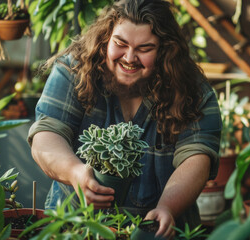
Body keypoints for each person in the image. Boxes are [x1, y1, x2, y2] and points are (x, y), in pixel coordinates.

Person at [27, 0, 221, 238]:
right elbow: (46, 137)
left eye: (144, 49)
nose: (129, 57)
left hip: (158, 232)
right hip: (75, 229)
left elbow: (197, 158)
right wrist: (75, 174)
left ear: (164, 50)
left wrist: (168, 207)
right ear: (106, 38)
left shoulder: (192, 90)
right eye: (120, 44)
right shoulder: (73, 72)